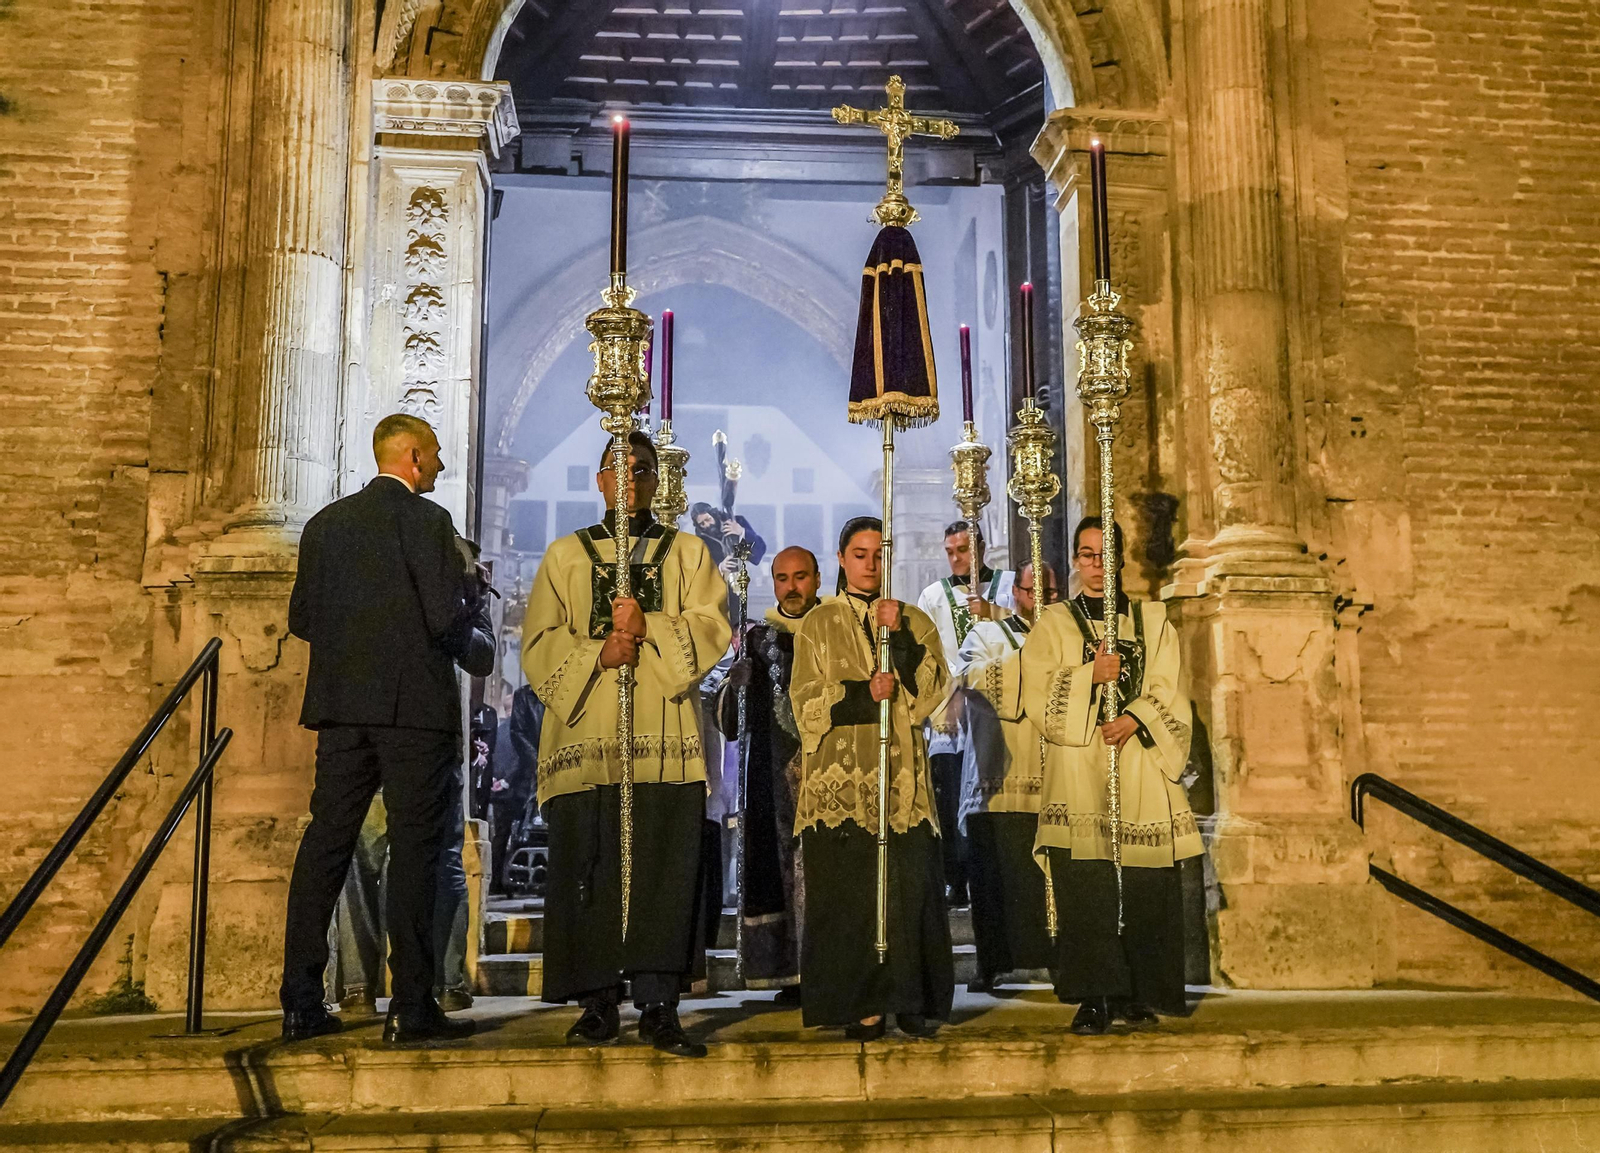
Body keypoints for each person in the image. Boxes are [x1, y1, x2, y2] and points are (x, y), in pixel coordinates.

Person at [281, 412, 493, 1044]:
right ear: (411, 457)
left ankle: (300, 1001)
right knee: (416, 853)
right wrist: (473, 617)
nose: (441, 464)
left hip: (342, 710)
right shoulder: (427, 522)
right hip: (414, 714)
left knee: (326, 845)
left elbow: (302, 618)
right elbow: (442, 619)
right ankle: (411, 1005)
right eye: (435, 453)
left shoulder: (324, 525)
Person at [522, 430, 731, 1058]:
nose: (630, 478)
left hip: (663, 737)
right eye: (618, 467)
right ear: (601, 481)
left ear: (654, 480)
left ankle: (660, 1005)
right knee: (590, 869)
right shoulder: (565, 556)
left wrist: (650, 625)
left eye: (641, 468)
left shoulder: (687, 553)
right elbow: (539, 642)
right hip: (588, 736)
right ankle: (596, 1002)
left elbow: (713, 625)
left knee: (664, 871)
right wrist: (599, 652)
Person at [1023, 517, 1202, 1034]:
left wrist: (1135, 718)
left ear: (1121, 559)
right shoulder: (1054, 623)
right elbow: (1037, 690)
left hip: (1140, 762)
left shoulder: (1152, 620)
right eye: (1086, 555)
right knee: (1089, 888)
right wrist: (1088, 677)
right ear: (1074, 561)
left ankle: (1139, 991)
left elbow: (1170, 686)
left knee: (1143, 885)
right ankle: (1095, 995)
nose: (1097, 566)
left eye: (1106, 555)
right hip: (1081, 766)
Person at [790, 517, 953, 1039]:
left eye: (879, 555)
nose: (870, 564)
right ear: (841, 559)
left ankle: (909, 998)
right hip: (843, 780)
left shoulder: (912, 620)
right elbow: (804, 701)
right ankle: (862, 1003)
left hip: (901, 777)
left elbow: (933, 691)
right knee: (852, 894)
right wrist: (862, 695)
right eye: (859, 555)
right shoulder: (819, 622)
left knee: (909, 886)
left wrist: (900, 639)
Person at [717, 545, 822, 1002]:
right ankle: (789, 974)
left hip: (827, 772)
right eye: (783, 578)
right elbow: (729, 722)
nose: (792, 587)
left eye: (801, 577)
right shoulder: (758, 640)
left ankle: (829, 970)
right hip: (771, 778)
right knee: (777, 874)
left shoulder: (834, 629)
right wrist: (736, 683)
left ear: (817, 579)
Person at [954, 562, 1058, 994]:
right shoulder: (985, 634)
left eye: (1050, 592)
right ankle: (990, 962)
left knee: (1044, 877)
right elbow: (971, 677)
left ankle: (1054, 959)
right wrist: (1030, 664)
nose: (1042, 599)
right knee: (991, 875)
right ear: (1015, 592)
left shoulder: (1064, 639)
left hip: (1050, 774)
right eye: (1033, 590)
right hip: (995, 774)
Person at [916, 520, 1015, 906]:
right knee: (951, 796)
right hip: (950, 715)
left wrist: (993, 611)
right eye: (951, 552)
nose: (957, 559)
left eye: (964, 550)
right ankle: (955, 878)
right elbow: (927, 657)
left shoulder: (1009, 586)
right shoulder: (932, 597)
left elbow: (1030, 629)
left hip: (1000, 711)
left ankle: (994, 876)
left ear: (982, 549)